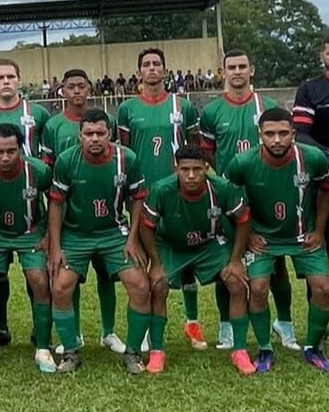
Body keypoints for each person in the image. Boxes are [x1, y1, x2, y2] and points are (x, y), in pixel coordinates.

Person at [199, 50, 295, 351]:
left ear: (251, 70)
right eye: (231, 67)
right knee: (226, 263)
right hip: (229, 196)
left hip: (265, 194)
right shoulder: (212, 111)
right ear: (223, 72)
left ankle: (285, 323)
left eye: (242, 66)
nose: (237, 72)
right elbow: (208, 151)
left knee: (275, 261)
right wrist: (227, 178)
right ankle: (227, 327)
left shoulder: (266, 106)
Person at [48, 108, 150, 374]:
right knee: (60, 287)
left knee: (139, 285)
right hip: (75, 234)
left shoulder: (126, 158)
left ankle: (133, 352)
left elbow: (138, 197)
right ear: (80, 135)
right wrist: (56, 248)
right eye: (89, 133)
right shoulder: (66, 161)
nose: (95, 138)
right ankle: (70, 352)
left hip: (114, 233)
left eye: (100, 133)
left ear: (110, 134)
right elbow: (56, 205)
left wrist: (134, 238)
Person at [227, 108, 329, 372]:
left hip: (301, 235)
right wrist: (248, 235)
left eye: (283, 133)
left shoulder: (314, 158)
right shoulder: (243, 162)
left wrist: (318, 231)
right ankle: (264, 348)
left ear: (294, 134)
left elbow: (325, 193)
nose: (277, 140)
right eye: (270, 133)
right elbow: (231, 199)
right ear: (259, 134)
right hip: (263, 238)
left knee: (323, 288)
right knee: (258, 288)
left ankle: (313, 347)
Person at [118, 48, 205, 350]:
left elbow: (195, 149)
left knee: (188, 253)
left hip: (181, 194)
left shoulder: (184, 107)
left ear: (165, 71)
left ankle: (192, 323)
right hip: (142, 196)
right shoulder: (127, 109)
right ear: (139, 72)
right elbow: (125, 154)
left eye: (157, 64)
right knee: (144, 260)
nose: (152, 69)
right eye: (146, 65)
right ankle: (143, 329)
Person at [140, 146, 255, 374]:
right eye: (185, 170)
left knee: (237, 282)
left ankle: (239, 350)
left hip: (208, 243)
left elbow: (243, 220)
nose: (191, 175)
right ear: (176, 169)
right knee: (158, 285)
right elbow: (147, 227)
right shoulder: (161, 189)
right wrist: (155, 263)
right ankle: (157, 352)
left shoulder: (222, 188)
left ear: (206, 168)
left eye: (196, 169)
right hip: (171, 245)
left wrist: (235, 260)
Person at [41, 70, 125, 355]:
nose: (77, 91)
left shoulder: (106, 119)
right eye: (71, 86)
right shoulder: (53, 125)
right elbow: (48, 170)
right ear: (62, 90)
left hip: (103, 209)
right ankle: (73, 333)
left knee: (106, 273)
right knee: (70, 275)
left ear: (89, 88)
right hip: (67, 209)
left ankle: (109, 331)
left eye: (81, 86)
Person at [0, 59, 50, 347]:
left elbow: (47, 160)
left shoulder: (38, 113)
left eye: (10, 76)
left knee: (36, 276)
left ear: (19, 79)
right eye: (0, 77)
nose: (6, 81)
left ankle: (38, 334)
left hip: (29, 202)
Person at [0, 123, 55, 373]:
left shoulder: (38, 171)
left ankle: (44, 348)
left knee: (39, 280)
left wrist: (48, 234)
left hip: (30, 232)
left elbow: (58, 201)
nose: (5, 157)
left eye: (11, 151)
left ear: (21, 149)